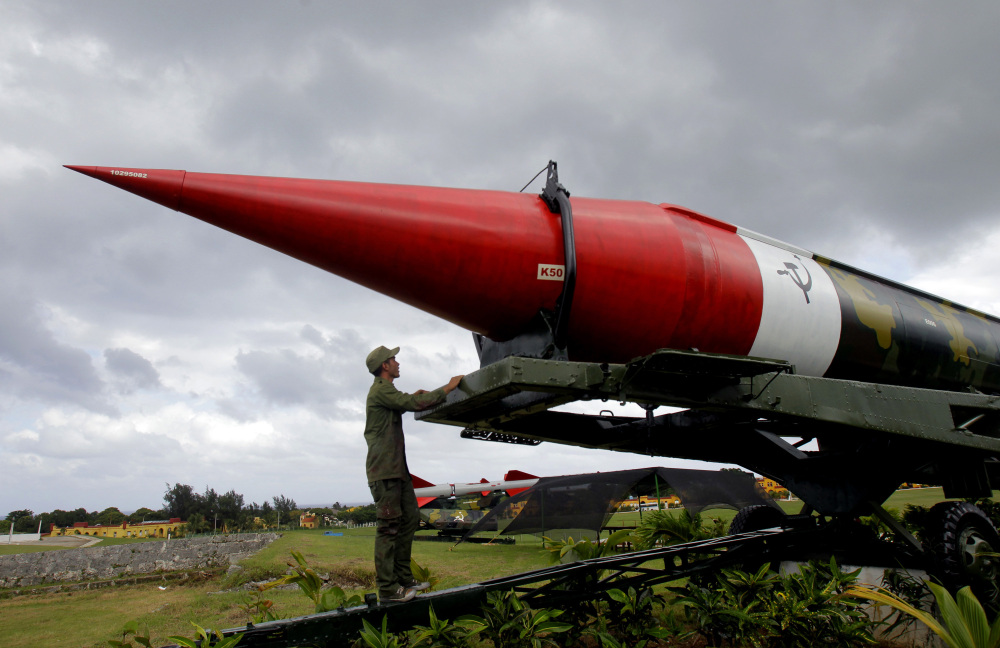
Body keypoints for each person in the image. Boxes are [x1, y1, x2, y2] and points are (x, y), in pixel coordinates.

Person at [364, 345, 464, 603]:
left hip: (397, 471)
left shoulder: (387, 392)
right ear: (385, 366)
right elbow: (411, 403)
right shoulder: (380, 390)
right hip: (385, 472)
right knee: (388, 529)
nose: (398, 363)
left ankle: (403, 580)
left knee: (409, 520)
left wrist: (417, 396)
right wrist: (447, 388)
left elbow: (404, 400)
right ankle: (388, 589)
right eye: (393, 359)